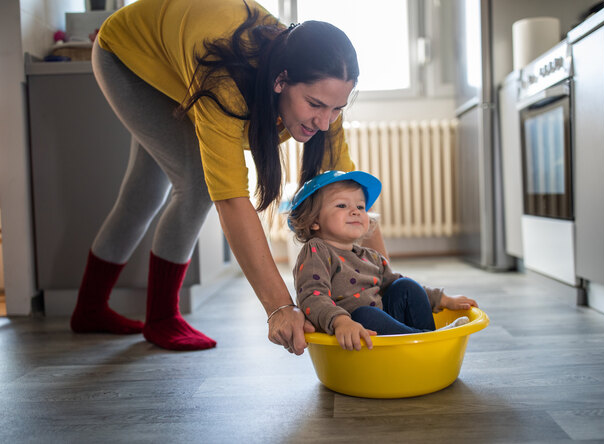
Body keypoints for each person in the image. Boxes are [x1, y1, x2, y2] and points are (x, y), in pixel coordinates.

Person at [70, 0, 388, 353]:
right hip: (129, 55)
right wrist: (280, 308)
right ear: (281, 80)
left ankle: (89, 309)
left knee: (142, 195)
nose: (326, 122)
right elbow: (231, 200)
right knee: (195, 186)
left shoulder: (323, 93)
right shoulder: (224, 82)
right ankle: (161, 318)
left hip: (180, 51)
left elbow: (352, 196)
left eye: (337, 109)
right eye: (314, 105)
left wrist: (384, 287)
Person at [287, 171, 478, 351]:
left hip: (384, 331)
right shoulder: (317, 251)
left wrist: (444, 299)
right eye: (342, 205)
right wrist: (340, 322)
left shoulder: (371, 256)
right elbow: (312, 296)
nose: (355, 211)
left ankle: (426, 337)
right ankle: (429, 342)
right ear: (314, 220)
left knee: (405, 286)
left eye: (360, 207)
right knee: (364, 315)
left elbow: (393, 284)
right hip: (353, 334)